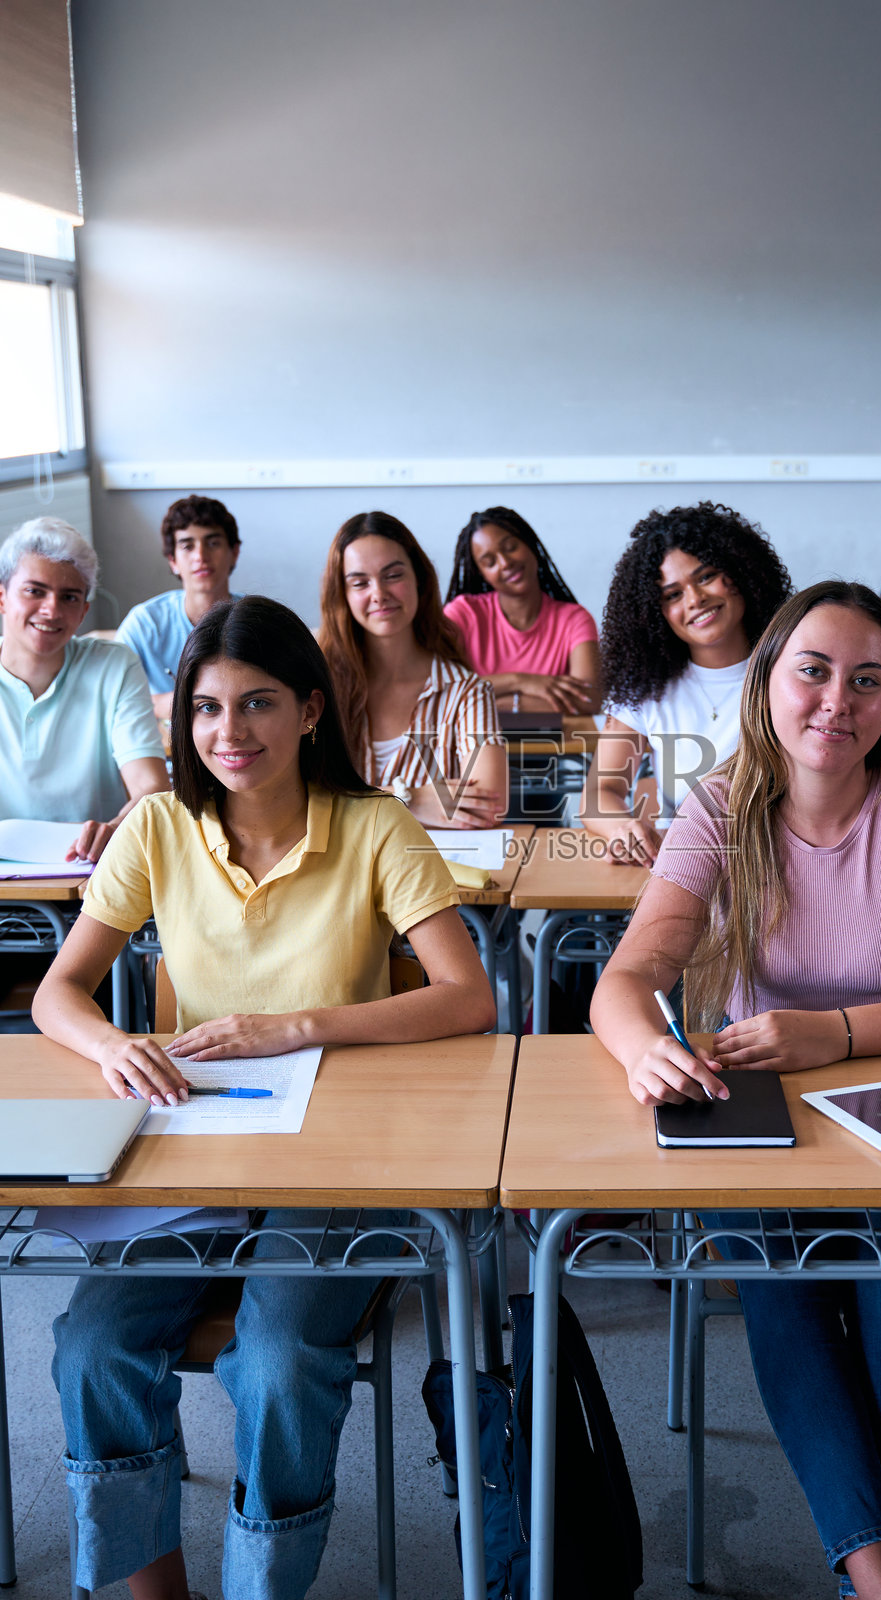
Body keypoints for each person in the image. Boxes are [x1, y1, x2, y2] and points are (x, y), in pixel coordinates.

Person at [32, 594, 495, 1600]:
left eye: (257, 704)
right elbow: (55, 991)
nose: (227, 732)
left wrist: (302, 1023)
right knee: (93, 1347)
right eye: (205, 708)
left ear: (312, 711)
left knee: (278, 1363)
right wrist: (114, 1044)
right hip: (193, 1149)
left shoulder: (375, 827)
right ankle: (157, 1591)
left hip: (339, 1153)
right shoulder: (157, 824)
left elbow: (469, 998)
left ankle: (261, 1586)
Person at [590, 581, 881, 1600]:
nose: (838, 700)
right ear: (768, 683)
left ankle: (876, 1580)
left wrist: (831, 1034)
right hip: (762, 1122)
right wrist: (641, 1053)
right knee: (777, 1274)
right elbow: (625, 982)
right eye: (814, 670)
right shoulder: (719, 807)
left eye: (868, 680)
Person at [581, 501, 792, 864]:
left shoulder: (796, 672)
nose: (695, 600)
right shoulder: (645, 689)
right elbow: (600, 792)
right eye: (673, 595)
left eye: (706, 576)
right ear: (654, 612)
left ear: (741, 573)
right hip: (684, 865)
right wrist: (622, 828)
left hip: (781, 861)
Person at [318, 510, 507, 829]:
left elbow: (489, 804)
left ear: (418, 579)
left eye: (393, 575)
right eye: (360, 582)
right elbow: (294, 799)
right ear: (344, 595)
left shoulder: (466, 691)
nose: (378, 593)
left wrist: (347, 801)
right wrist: (409, 798)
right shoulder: (319, 686)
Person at [0, 517, 167, 863]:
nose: (51, 609)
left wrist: (117, 827)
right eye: (35, 590)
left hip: (92, 876)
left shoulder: (115, 667)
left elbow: (151, 787)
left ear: (83, 612)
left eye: (69, 597)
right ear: (2, 598)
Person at [443, 506, 601, 715]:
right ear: (481, 574)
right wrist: (521, 682)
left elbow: (588, 700)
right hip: (476, 747)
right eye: (489, 562)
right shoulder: (463, 614)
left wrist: (486, 704)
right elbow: (440, 691)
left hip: (556, 747)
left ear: (531, 545)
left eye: (510, 547)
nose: (505, 563)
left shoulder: (574, 619)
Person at [117, 495, 242, 719]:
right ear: (172, 560)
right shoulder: (145, 623)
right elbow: (115, 696)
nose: (200, 556)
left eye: (213, 543)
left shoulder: (260, 620)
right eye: (187, 546)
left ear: (234, 553)